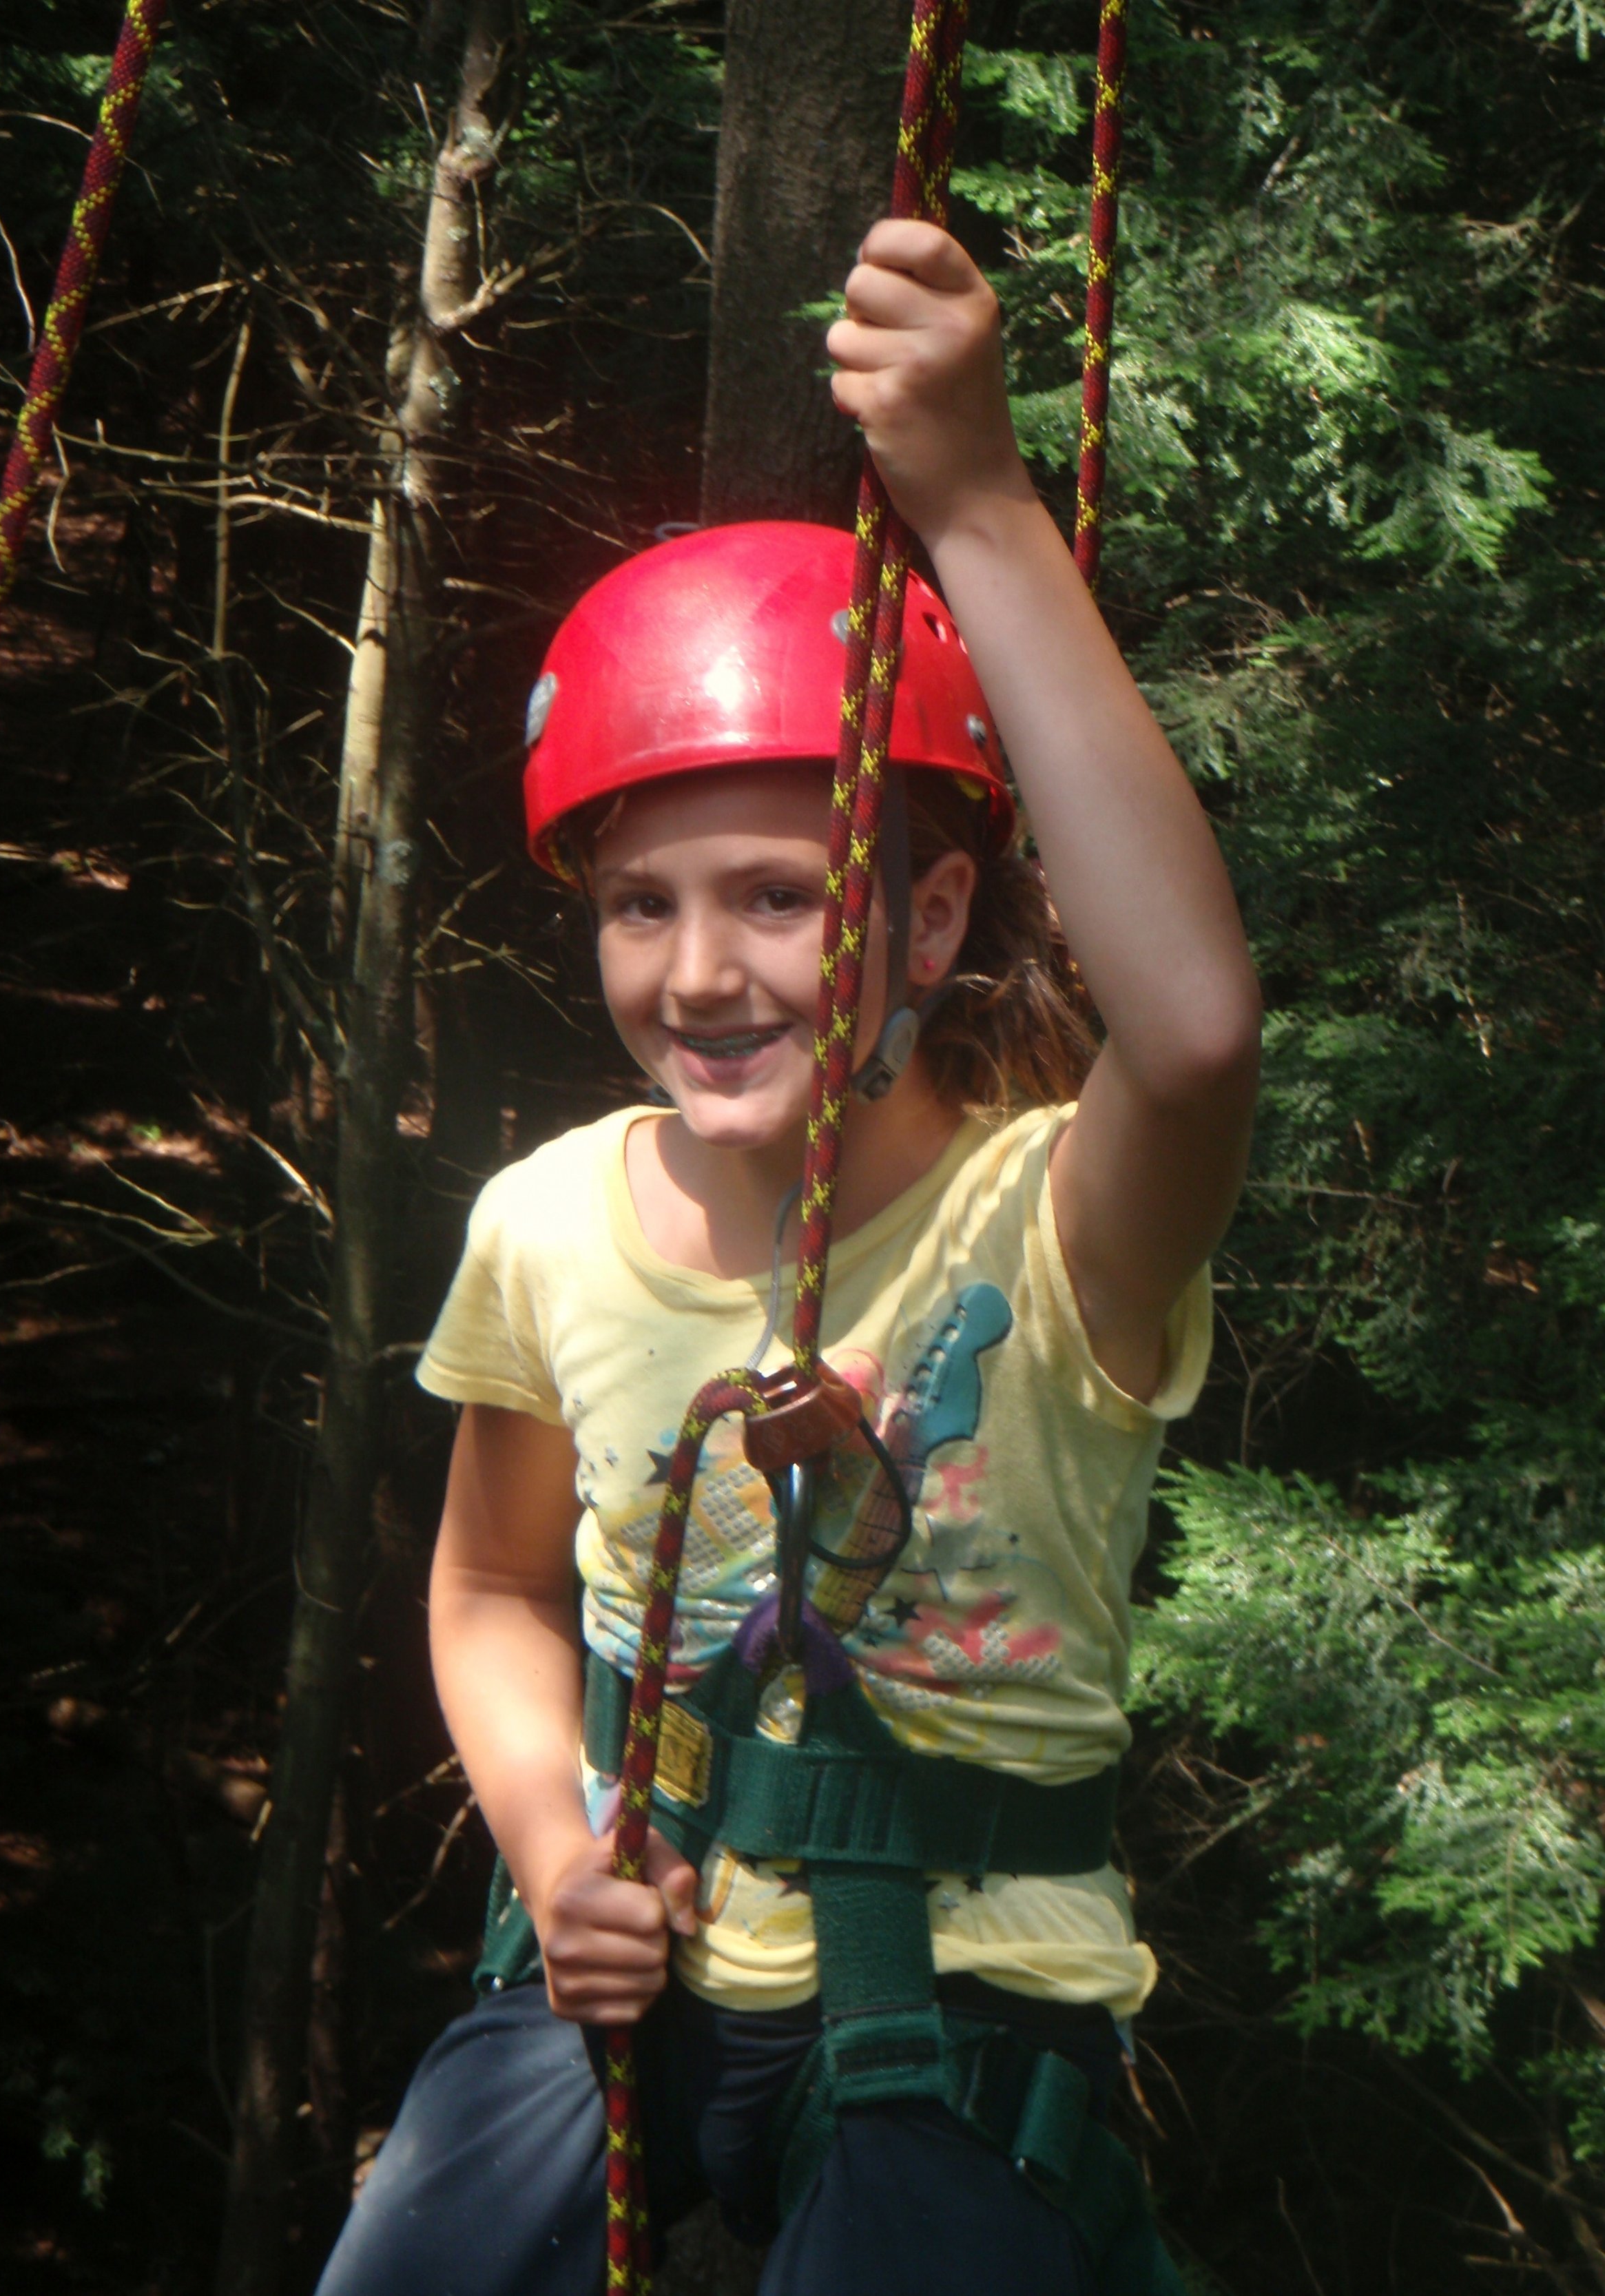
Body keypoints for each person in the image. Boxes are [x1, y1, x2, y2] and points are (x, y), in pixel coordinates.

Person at [316, 220, 1261, 2296]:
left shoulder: (1051, 1227)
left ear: (928, 921)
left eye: (779, 894)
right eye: (638, 905)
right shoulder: (548, 1222)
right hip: (626, 1953)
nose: (699, 971)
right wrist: (554, 1859)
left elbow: (1193, 1036)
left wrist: (976, 501)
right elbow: (489, 1587)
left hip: (964, 2000)